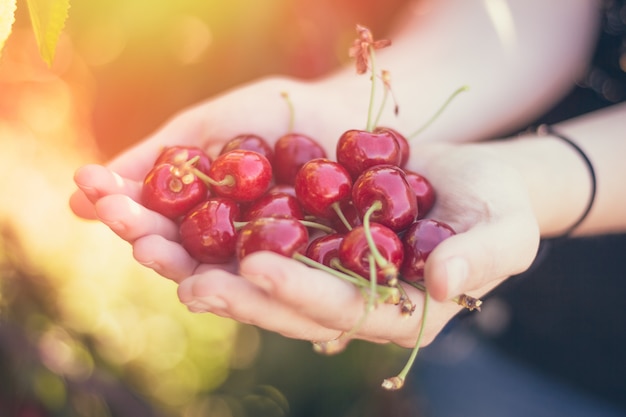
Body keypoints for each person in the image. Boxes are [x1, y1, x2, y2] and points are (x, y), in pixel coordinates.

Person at [69, 0, 626, 413]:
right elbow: (520, 17)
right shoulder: (350, 201)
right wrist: (338, 104)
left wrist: (535, 181)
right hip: (508, 348)